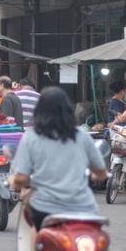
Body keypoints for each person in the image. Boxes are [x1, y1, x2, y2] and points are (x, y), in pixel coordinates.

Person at [11, 86, 108, 230]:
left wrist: (13, 182)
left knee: (37, 238)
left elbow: (21, 178)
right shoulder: (82, 136)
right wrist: (94, 176)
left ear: (39, 110)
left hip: (45, 209)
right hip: (83, 207)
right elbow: (101, 172)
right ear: (68, 110)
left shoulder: (31, 137)